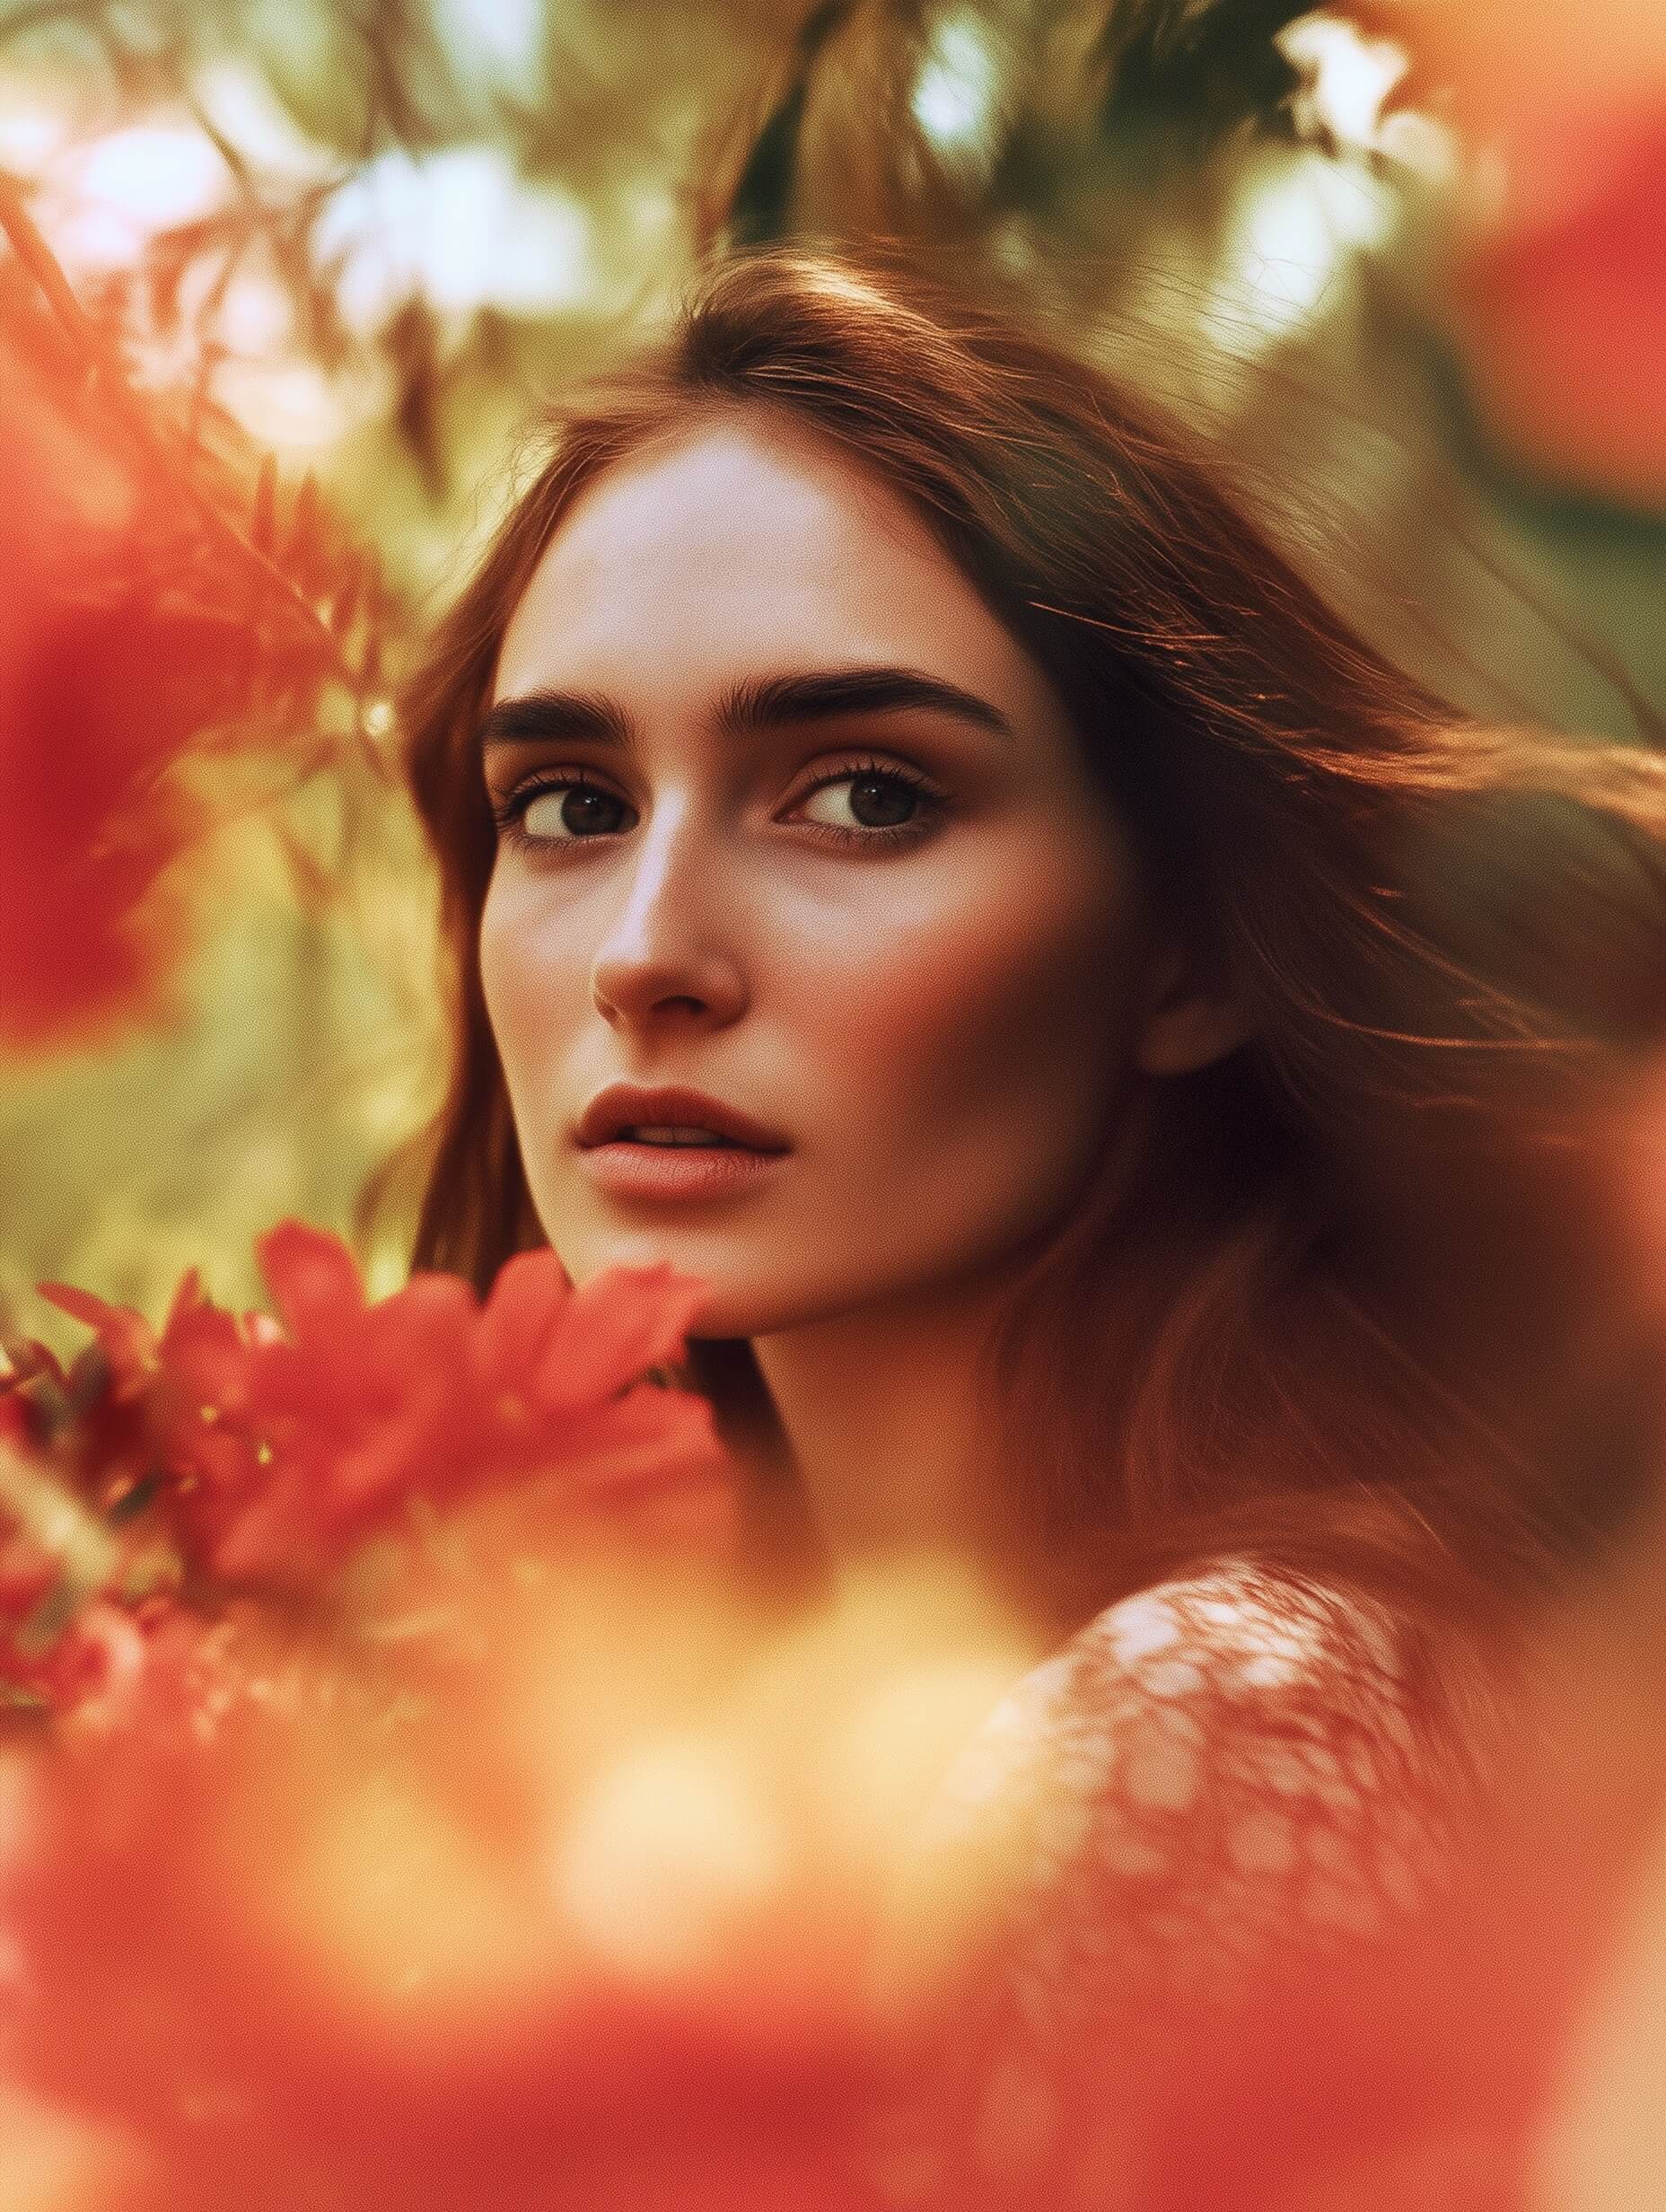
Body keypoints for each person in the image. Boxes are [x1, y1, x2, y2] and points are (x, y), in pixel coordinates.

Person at [397, 244, 1666, 2188]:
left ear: (1185, 945)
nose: (646, 955)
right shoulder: (672, 1785)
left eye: (864, 795)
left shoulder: (1195, 1729)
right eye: (568, 805)